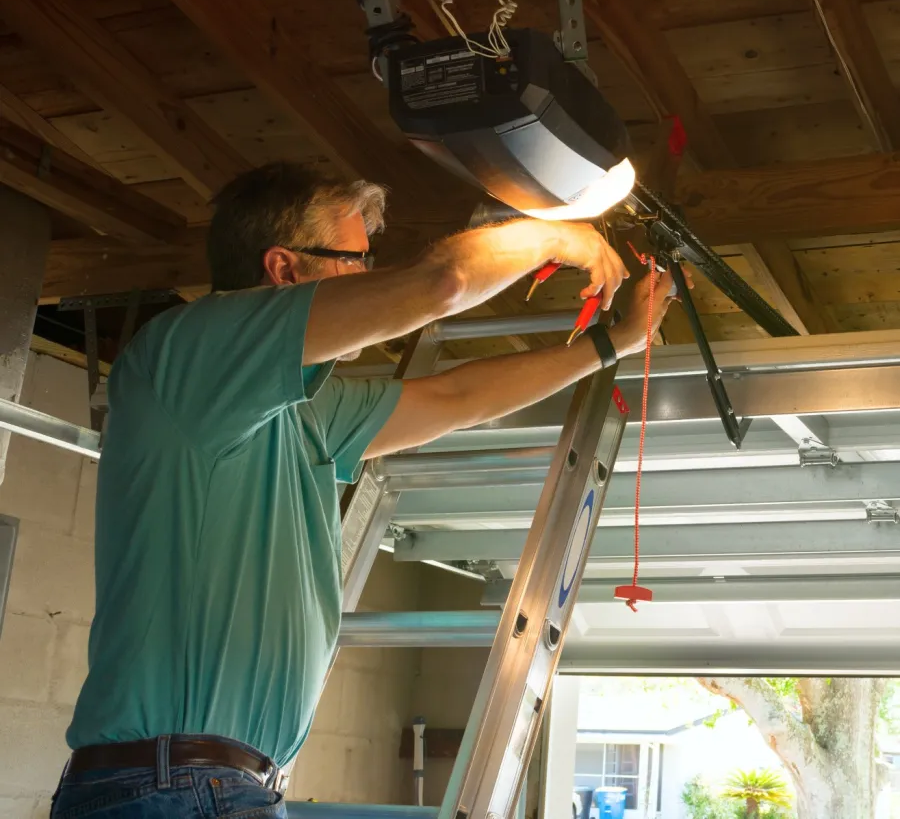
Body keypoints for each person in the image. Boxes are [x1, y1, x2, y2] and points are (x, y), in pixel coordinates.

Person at [52, 162, 679, 819]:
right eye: (354, 259)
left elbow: (455, 397)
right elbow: (441, 282)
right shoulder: (187, 357)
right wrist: (557, 237)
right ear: (285, 270)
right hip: (173, 783)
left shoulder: (305, 411)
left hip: (209, 785)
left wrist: (609, 344)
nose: (367, 277)